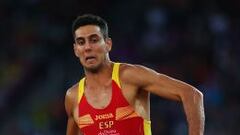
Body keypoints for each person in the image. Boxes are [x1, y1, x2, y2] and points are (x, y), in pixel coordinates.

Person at [65, 14, 205, 135]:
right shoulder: (73, 97)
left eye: (94, 40)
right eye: (81, 42)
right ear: (76, 50)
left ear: (108, 44)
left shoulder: (129, 76)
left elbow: (191, 94)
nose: (88, 47)